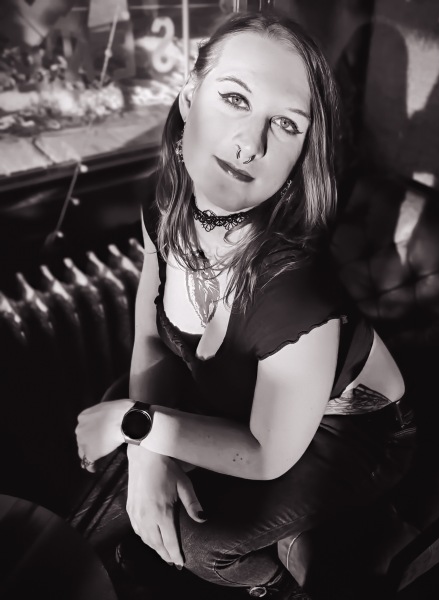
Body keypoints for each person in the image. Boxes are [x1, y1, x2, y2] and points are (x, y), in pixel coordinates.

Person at [75, 11, 417, 600]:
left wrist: (138, 423)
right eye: (235, 98)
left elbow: (264, 455)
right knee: (112, 457)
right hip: (244, 394)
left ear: (300, 152)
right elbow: (153, 339)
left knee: (206, 542)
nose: (250, 143)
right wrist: (148, 455)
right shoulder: (165, 209)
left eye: (285, 124)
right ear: (189, 98)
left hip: (356, 427)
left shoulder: (295, 291)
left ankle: (279, 589)